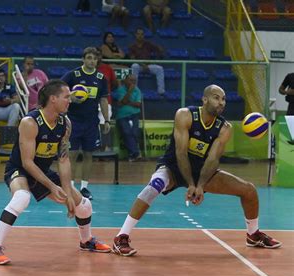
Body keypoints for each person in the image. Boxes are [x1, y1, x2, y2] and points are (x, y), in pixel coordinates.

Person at [112, 84, 282, 256]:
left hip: (202, 171)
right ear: (205, 99)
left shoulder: (225, 128)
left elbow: (213, 159)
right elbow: (180, 152)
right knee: (154, 186)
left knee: (249, 190)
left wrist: (199, 185)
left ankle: (253, 235)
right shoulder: (185, 115)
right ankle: (121, 237)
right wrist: (191, 184)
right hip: (173, 167)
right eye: (217, 98)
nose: (221, 102)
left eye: (223, 99)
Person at [0, 79, 111, 265]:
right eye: (66, 97)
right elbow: (27, 163)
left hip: (43, 171)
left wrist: (67, 191)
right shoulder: (30, 122)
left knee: (83, 205)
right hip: (20, 170)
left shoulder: (65, 123)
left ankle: (86, 240)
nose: (70, 100)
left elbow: (64, 159)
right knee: (22, 197)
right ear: (53, 99)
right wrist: (52, 186)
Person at [61, 47, 111, 200]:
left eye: (94, 59)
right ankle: (70, 187)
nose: (92, 61)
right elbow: (59, 91)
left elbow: (103, 100)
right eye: (89, 58)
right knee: (73, 154)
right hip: (74, 121)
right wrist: (70, 98)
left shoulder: (101, 78)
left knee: (89, 154)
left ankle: (84, 188)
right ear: (83, 59)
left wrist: (106, 119)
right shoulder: (73, 75)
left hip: (91, 122)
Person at [113, 73, 142, 161]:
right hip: (122, 116)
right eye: (131, 80)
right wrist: (129, 91)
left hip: (134, 115)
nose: (133, 83)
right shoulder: (120, 90)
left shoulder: (137, 90)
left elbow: (138, 104)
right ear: (125, 80)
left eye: (134, 81)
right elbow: (124, 100)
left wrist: (126, 102)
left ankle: (133, 154)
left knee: (134, 133)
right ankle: (135, 153)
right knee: (126, 132)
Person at [128, 28, 165, 95]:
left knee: (160, 69)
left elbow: (158, 50)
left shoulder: (148, 44)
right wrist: (142, 65)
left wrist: (160, 50)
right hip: (139, 66)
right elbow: (132, 59)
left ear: (144, 35)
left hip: (148, 65)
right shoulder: (132, 46)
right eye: (138, 34)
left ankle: (161, 91)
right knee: (134, 66)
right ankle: (134, 89)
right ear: (135, 35)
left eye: (142, 34)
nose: (140, 36)